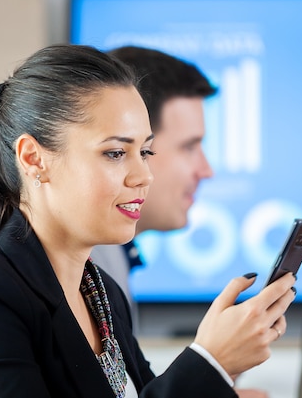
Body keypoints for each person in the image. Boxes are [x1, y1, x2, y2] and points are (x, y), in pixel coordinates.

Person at [0, 44, 296, 398]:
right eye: (114, 153)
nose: (144, 175)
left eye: (145, 151)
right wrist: (210, 362)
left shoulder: (100, 293)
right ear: (33, 159)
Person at [90, 46, 270, 398]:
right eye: (189, 146)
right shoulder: (85, 264)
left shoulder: (108, 264)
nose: (206, 169)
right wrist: (211, 363)